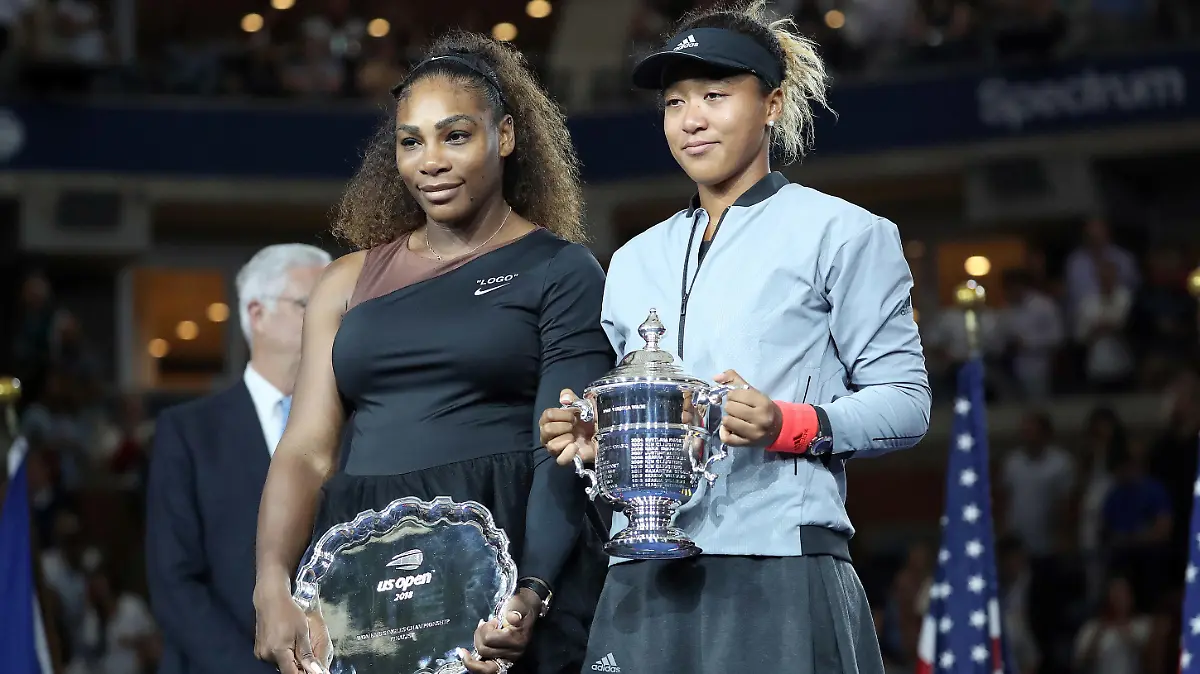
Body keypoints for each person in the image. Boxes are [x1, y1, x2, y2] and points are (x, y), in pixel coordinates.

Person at [538, 3, 930, 672]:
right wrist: (599, 440)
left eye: (715, 97)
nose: (690, 119)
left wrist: (790, 421)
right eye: (674, 103)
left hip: (776, 561)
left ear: (772, 104)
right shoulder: (632, 261)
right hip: (642, 571)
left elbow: (907, 404)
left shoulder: (845, 234)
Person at [251, 30, 612, 674]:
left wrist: (530, 592)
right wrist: (272, 583)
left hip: (504, 555)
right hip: (362, 567)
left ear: (503, 137)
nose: (430, 161)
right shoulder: (345, 281)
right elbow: (306, 449)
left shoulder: (560, 269)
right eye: (410, 141)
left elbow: (560, 449)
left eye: (456, 136)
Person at [146, 243, 332, 674]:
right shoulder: (190, 432)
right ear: (256, 314)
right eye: (309, 304)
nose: (330, 318)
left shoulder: (356, 424)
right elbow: (174, 583)